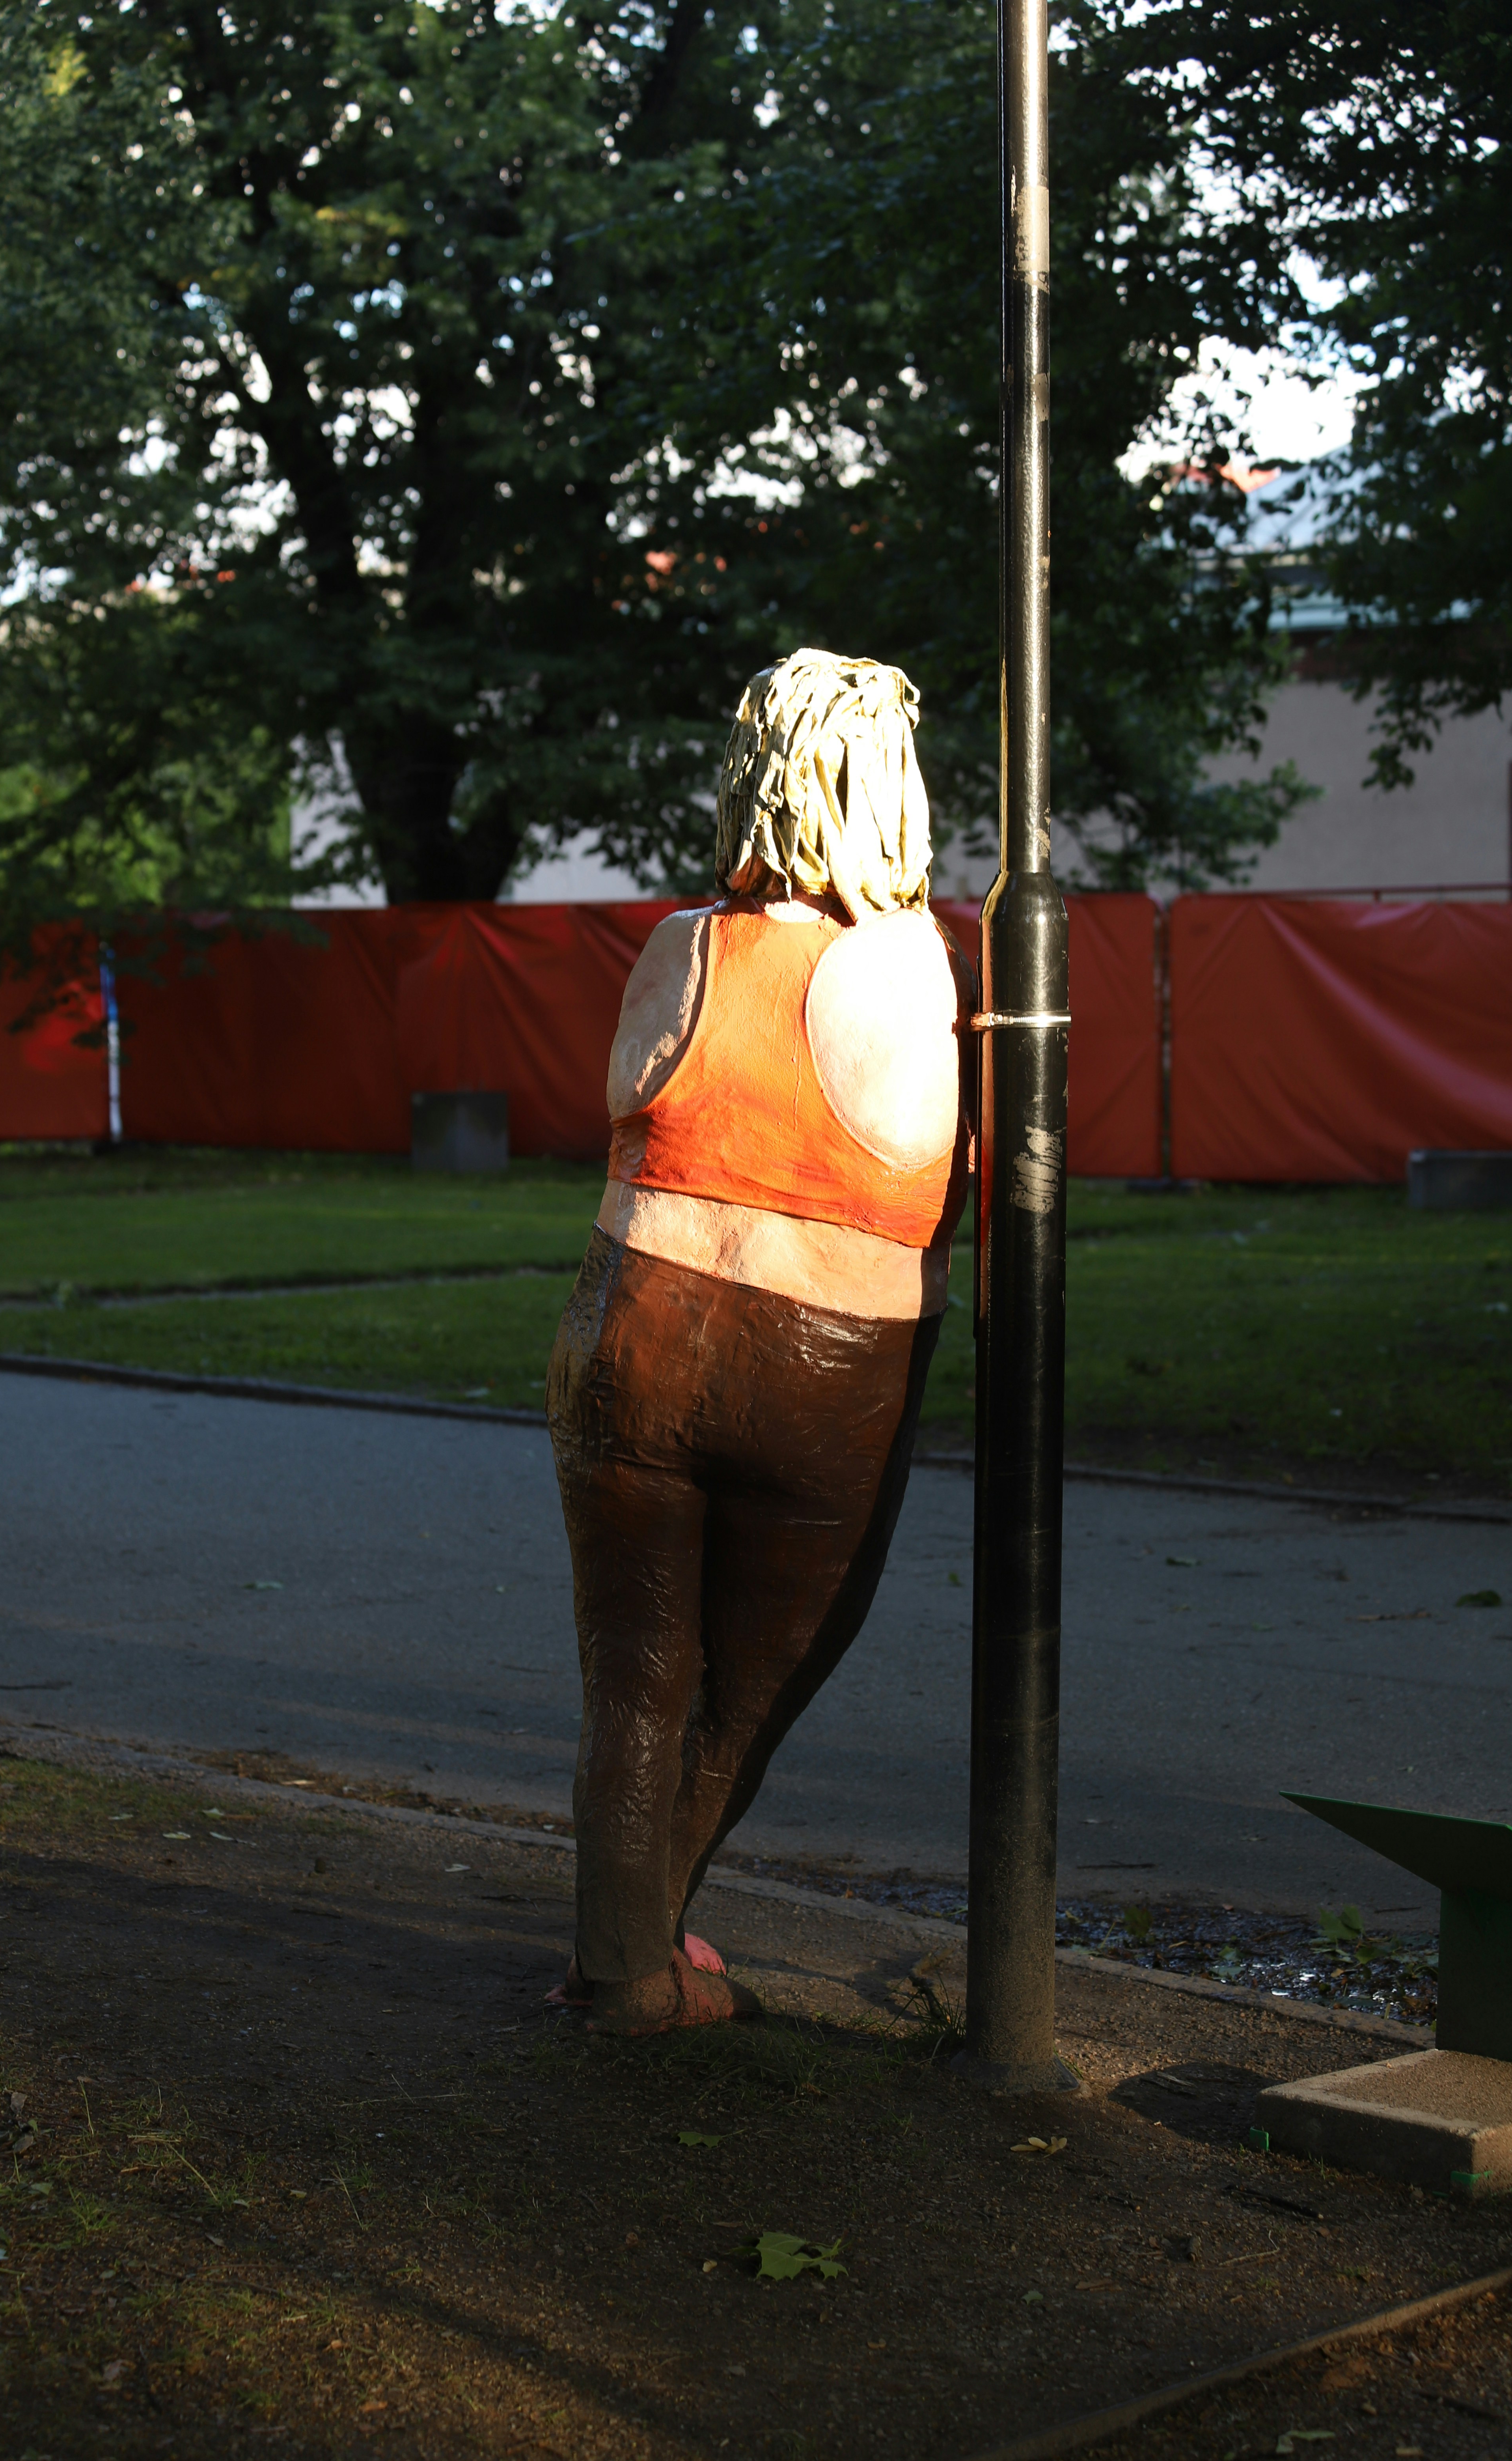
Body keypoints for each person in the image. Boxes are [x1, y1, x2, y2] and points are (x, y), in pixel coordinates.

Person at [545, 647, 975, 2035]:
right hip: (823, 1367)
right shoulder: (922, 966)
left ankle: (628, 1950)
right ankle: (633, 1972)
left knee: (632, 1677)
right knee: (744, 1697)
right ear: (890, 790)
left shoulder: (682, 943)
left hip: (631, 1325)